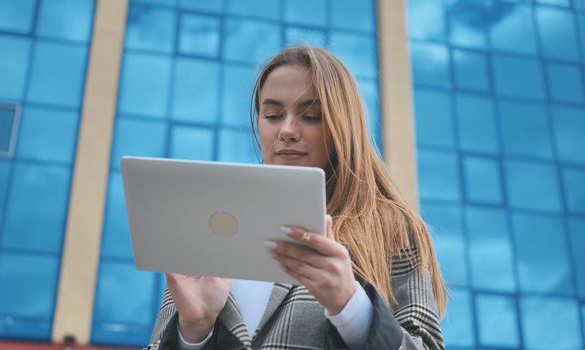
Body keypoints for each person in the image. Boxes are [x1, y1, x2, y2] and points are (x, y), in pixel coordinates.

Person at [144, 46, 446, 350]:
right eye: (273, 115)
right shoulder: (209, 225)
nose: (287, 130)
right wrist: (192, 334)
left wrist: (350, 307)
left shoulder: (390, 227)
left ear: (342, 127)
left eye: (311, 116)